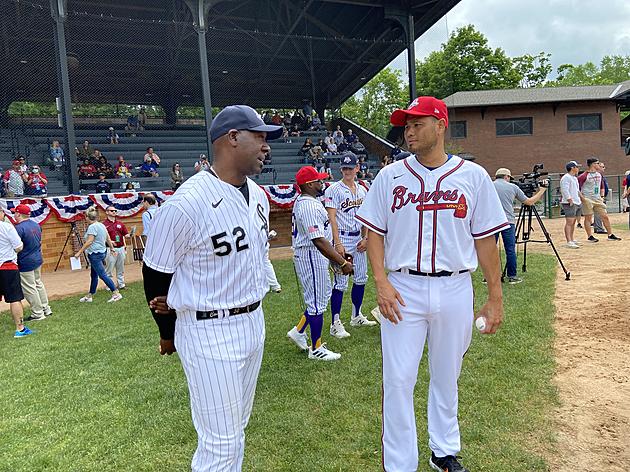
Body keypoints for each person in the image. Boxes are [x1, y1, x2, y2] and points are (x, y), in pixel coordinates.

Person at [356, 96, 509, 472]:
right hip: (403, 288)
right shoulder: (390, 176)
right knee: (398, 380)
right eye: (406, 125)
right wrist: (381, 281)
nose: (408, 130)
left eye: (417, 123)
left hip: (456, 286)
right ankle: (399, 464)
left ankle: (443, 451)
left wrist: (495, 296)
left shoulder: (472, 177)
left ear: (440, 125)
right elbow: (373, 231)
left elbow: (485, 240)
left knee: (446, 374)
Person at [142, 104, 282, 471]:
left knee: (236, 430)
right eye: (260, 136)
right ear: (232, 138)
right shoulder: (187, 203)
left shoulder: (259, 196)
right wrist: (167, 332)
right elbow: (155, 273)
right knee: (220, 444)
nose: (267, 146)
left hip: (254, 321)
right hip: (209, 329)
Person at [286, 166, 353, 361]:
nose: (321, 182)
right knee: (316, 302)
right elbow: (318, 240)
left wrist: (335, 255)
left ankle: (299, 331)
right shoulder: (307, 205)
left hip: (314, 254)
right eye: (318, 180)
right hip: (310, 254)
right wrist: (341, 262)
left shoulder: (310, 201)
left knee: (321, 297)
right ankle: (316, 348)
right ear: (309, 184)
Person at [325, 152, 376, 340]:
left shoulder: (362, 190)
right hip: (343, 240)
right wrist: (337, 243)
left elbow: (366, 217)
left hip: (358, 240)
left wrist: (366, 238)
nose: (347, 171)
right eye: (344, 168)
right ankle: (335, 323)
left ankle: (356, 316)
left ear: (357, 168)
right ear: (341, 169)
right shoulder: (334, 190)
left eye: (350, 167)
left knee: (361, 278)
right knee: (341, 282)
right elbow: (332, 218)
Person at [493, 167, 547, 284]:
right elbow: (529, 202)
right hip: (508, 222)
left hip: (492, 222)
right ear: (507, 177)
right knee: (510, 250)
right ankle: (512, 276)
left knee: (491, 249)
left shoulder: (489, 185)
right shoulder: (513, 187)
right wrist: (542, 190)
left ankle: (489, 277)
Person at [74, 207, 123, 303]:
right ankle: (90, 295)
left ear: (88, 217)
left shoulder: (92, 227)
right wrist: (112, 249)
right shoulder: (101, 225)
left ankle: (116, 293)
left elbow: (89, 241)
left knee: (102, 275)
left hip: (95, 254)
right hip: (101, 252)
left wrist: (79, 252)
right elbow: (108, 238)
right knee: (94, 275)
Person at [13, 204, 52, 321]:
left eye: (15, 212)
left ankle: (38, 313)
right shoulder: (36, 224)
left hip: (26, 261)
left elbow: (16, 246)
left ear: (19, 214)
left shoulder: (19, 228)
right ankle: (46, 308)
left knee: (30, 288)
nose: (14, 214)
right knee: (38, 284)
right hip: (37, 258)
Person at [0, 210, 32, 338]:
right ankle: (20, 328)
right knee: (14, 298)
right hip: (7, 266)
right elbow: (19, 246)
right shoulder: (7, 227)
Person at [577, 157, 621, 242]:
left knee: (605, 216)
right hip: (588, 199)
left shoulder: (599, 174)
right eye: (597, 163)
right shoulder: (584, 176)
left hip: (597, 199)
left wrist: (602, 196)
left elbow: (601, 186)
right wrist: (582, 198)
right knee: (588, 218)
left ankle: (610, 234)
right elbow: (577, 187)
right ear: (592, 164)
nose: (599, 165)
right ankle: (590, 236)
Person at [103, 206, 128, 290]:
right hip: (110, 249)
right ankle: (109, 286)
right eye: (112, 211)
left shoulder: (120, 224)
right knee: (109, 268)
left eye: (115, 210)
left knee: (120, 268)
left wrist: (130, 235)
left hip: (120, 248)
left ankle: (121, 284)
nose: (114, 212)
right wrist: (109, 242)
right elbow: (102, 238)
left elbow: (125, 234)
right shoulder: (103, 225)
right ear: (107, 212)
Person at [560, 161, 582, 248]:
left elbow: (576, 190)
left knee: (573, 222)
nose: (578, 169)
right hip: (569, 203)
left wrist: (581, 199)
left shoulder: (574, 178)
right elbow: (565, 190)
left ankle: (572, 239)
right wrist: (570, 200)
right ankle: (569, 241)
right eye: (577, 167)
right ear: (572, 168)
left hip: (576, 201)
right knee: (569, 222)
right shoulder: (566, 178)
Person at [593, 161, 609, 234]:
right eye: (602, 167)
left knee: (598, 213)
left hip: (602, 196)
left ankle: (597, 227)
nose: (604, 168)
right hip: (599, 197)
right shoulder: (597, 176)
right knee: (600, 213)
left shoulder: (601, 176)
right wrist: (601, 196)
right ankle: (599, 228)